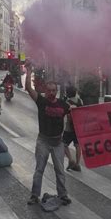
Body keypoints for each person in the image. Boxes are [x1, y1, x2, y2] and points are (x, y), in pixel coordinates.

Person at [24, 59, 71, 206]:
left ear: (56, 91)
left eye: (53, 90)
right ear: (45, 90)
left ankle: (63, 195)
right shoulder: (41, 101)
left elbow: (76, 115)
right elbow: (28, 88)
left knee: (60, 171)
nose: (51, 93)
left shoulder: (63, 105)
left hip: (57, 143)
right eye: (49, 90)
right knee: (39, 169)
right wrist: (29, 71)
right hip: (43, 141)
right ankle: (34, 195)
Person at [63, 85, 83, 172]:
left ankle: (71, 160)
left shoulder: (67, 102)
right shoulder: (80, 101)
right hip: (79, 127)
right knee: (78, 145)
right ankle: (78, 164)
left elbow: (67, 114)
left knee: (63, 144)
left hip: (69, 128)